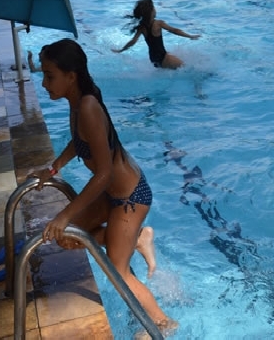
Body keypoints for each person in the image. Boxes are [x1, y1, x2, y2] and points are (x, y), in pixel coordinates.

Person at [31, 39, 175, 332]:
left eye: (49, 75)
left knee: (118, 271)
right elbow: (79, 141)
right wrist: (53, 168)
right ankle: (136, 238)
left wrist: (65, 214)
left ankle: (163, 323)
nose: (44, 83)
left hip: (130, 198)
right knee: (67, 238)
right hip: (112, 194)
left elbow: (104, 174)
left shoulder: (87, 106)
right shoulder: (77, 102)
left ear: (71, 76)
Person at [113, 0, 200, 69]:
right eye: (154, 8)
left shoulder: (141, 27)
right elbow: (174, 30)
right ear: (150, 12)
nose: (155, 9)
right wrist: (190, 36)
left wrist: (121, 50)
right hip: (163, 57)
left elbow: (133, 41)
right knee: (188, 69)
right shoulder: (158, 23)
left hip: (153, 58)